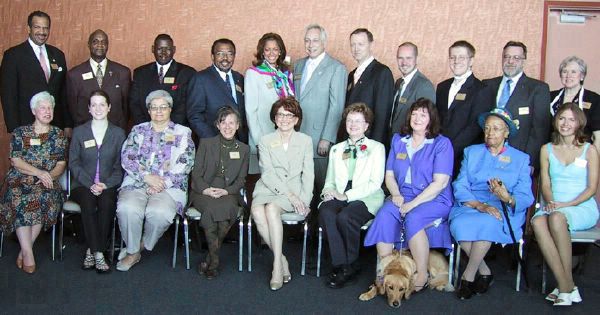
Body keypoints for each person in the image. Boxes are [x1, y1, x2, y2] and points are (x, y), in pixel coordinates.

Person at [365, 98, 454, 292]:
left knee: (413, 218)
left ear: (431, 119)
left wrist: (411, 205)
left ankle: (420, 274)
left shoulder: (441, 144)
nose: (417, 118)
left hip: (434, 198)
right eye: (414, 114)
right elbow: (389, 175)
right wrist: (396, 194)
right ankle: (385, 272)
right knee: (385, 215)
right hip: (402, 195)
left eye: (423, 114)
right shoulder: (398, 140)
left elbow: (440, 183)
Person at [449, 108, 534, 300]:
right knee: (458, 224)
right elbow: (460, 184)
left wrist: (507, 197)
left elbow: (525, 196)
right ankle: (485, 271)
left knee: (487, 223)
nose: (490, 133)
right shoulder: (472, 152)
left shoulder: (520, 159)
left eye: (496, 128)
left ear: (506, 132)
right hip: (472, 204)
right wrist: (479, 205)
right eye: (487, 128)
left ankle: (468, 277)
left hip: (503, 209)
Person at [116, 90, 195, 271]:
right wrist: (147, 177)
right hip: (138, 182)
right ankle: (133, 252)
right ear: (149, 111)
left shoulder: (182, 133)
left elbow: (186, 163)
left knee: (158, 213)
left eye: (163, 107)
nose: (159, 111)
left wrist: (162, 183)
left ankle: (140, 245)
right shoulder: (137, 130)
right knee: (128, 208)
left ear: (170, 109)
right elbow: (127, 157)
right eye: (154, 107)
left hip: (170, 187)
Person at [532, 103, 599, 306]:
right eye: (562, 118)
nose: (565, 123)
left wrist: (566, 205)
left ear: (579, 123)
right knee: (537, 222)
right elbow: (545, 184)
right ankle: (567, 286)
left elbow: (592, 188)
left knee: (557, 217)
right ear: (556, 121)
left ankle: (564, 286)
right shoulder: (546, 149)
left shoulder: (589, 150)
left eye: (571, 119)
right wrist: (552, 202)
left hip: (581, 206)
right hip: (554, 204)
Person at [0, 91, 67, 274]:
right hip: (20, 179)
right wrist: (39, 173)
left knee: (43, 200)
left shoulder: (58, 134)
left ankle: (25, 250)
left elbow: (61, 164)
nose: (47, 111)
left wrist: (49, 176)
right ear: (34, 110)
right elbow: (16, 160)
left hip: (47, 181)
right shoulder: (21, 133)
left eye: (50, 108)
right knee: (19, 199)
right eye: (43, 107)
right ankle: (28, 252)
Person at [319, 103, 385, 289]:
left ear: (366, 125)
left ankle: (348, 263)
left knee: (346, 216)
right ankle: (344, 265)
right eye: (349, 120)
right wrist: (327, 193)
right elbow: (330, 180)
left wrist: (345, 196)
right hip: (339, 193)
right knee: (326, 212)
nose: (353, 124)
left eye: (358, 121)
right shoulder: (336, 149)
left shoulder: (376, 148)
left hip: (366, 196)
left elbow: (375, 183)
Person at [251, 97, 313, 290]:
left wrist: (304, 200)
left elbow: (309, 174)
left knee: (271, 210)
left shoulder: (305, 140)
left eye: (289, 115)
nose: (284, 119)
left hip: (294, 190)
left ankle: (276, 267)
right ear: (274, 118)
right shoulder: (265, 140)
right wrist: (290, 196)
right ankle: (282, 259)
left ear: (296, 119)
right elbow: (267, 173)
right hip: (268, 187)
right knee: (257, 212)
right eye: (280, 115)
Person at [69, 90, 126, 273]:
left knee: (107, 203)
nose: (98, 108)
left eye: (102, 104)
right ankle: (99, 253)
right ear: (89, 109)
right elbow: (74, 163)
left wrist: (105, 184)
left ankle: (91, 250)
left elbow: (120, 166)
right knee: (88, 202)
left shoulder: (118, 133)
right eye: (94, 104)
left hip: (108, 184)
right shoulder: (79, 132)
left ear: (109, 107)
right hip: (82, 185)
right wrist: (90, 183)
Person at [189, 106, 249, 279]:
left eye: (232, 123)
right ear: (217, 125)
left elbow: (241, 180)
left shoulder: (244, 149)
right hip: (203, 191)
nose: (227, 126)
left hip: (228, 193)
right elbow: (197, 173)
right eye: (223, 122)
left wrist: (226, 191)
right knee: (210, 210)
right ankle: (214, 261)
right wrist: (206, 189)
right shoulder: (206, 143)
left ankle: (210, 259)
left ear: (238, 125)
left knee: (227, 211)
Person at [293, 24, 347, 205]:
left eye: (315, 40)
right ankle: (301, 230)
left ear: (324, 42)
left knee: (320, 187)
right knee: (300, 186)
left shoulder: (336, 68)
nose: (311, 44)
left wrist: (327, 137)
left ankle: (319, 230)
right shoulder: (298, 65)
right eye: (307, 40)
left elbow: (337, 106)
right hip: (298, 136)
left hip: (319, 140)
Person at [478, 41, 551, 170]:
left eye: (516, 58)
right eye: (507, 57)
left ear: (524, 61)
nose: (510, 61)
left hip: (519, 159)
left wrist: (530, 162)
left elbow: (540, 131)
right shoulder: (487, 85)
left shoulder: (538, 89)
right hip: (486, 157)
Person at [1, 11, 71, 135]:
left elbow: (63, 93)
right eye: (37, 27)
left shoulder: (58, 55)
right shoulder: (13, 55)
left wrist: (67, 124)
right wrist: (14, 129)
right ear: (28, 28)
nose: (42, 32)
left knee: (55, 155)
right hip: (26, 125)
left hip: (55, 126)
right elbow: (8, 95)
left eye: (45, 28)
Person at [245, 33, 294, 175]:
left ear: (280, 51)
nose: (271, 53)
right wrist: (259, 141)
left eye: (275, 49)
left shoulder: (285, 74)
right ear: (262, 52)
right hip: (265, 136)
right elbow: (250, 110)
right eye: (267, 49)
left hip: (286, 135)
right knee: (268, 181)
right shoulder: (254, 73)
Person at [436, 40, 485, 174]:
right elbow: (437, 119)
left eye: (462, 57)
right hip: (439, 154)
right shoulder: (442, 87)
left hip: (465, 157)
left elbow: (475, 126)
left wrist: (450, 149)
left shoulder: (481, 89)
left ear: (471, 61)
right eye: (453, 57)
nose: (456, 61)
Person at [67, 29, 131, 130]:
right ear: (89, 45)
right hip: (85, 132)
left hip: (115, 132)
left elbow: (126, 108)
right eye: (95, 41)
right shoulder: (75, 74)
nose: (100, 45)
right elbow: (72, 108)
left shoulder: (123, 72)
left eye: (103, 42)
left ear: (108, 45)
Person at [130, 34, 196, 126]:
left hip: (176, 129)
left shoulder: (187, 73)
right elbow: (135, 104)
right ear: (153, 49)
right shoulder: (140, 73)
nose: (163, 53)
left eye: (168, 49)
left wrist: (168, 127)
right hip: (146, 130)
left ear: (174, 50)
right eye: (159, 48)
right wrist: (147, 127)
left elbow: (187, 105)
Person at [187, 38, 246, 142]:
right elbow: (194, 115)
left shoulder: (239, 78)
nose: (225, 58)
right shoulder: (201, 78)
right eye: (220, 54)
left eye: (229, 54)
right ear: (212, 56)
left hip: (239, 141)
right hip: (213, 142)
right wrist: (213, 140)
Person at [344, 28, 394, 145]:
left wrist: (375, 145)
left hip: (369, 142)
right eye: (353, 45)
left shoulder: (382, 72)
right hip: (351, 140)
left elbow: (383, 114)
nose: (356, 49)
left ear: (371, 45)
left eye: (361, 44)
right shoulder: (352, 74)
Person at [549, 56, 600, 149]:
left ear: (582, 76)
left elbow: (598, 137)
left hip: (582, 152)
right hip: (554, 150)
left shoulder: (594, 99)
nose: (568, 75)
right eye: (564, 71)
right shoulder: (549, 97)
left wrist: (593, 160)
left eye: (573, 72)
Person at [389, 42, 436, 138]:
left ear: (416, 59)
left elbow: (426, 121)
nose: (404, 63)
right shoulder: (398, 82)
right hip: (394, 140)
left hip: (410, 142)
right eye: (400, 58)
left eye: (408, 58)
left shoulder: (424, 85)